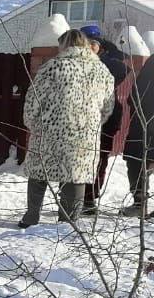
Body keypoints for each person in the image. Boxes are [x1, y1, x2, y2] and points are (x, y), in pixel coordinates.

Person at [18, 29, 115, 228]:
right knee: (76, 176)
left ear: (65, 45)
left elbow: (34, 99)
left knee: (39, 172)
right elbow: (108, 106)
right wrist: (93, 124)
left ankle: (31, 217)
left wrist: (32, 122)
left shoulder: (54, 66)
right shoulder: (102, 70)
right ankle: (68, 222)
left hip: (50, 131)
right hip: (85, 135)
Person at [79, 24, 128, 216]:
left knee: (99, 159)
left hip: (107, 119)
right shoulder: (79, 62)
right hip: (82, 120)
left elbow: (123, 69)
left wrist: (109, 50)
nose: (90, 47)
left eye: (94, 44)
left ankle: (90, 198)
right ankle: (77, 195)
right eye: (86, 43)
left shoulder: (109, 62)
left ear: (101, 45)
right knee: (82, 158)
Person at [123, 52, 154, 216]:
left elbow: (134, 96)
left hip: (144, 125)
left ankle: (139, 204)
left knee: (137, 163)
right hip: (143, 125)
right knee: (137, 163)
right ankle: (139, 204)